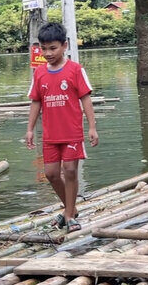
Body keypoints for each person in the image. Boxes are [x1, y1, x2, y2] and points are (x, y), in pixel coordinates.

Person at [25, 22, 98, 232]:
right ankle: (70, 209)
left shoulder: (75, 70)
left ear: (64, 46)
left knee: (70, 170)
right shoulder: (39, 73)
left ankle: (68, 215)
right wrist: (30, 129)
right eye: (43, 48)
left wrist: (92, 127)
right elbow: (36, 102)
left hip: (72, 132)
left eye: (53, 48)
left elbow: (85, 99)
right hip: (50, 134)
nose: (48, 53)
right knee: (51, 173)